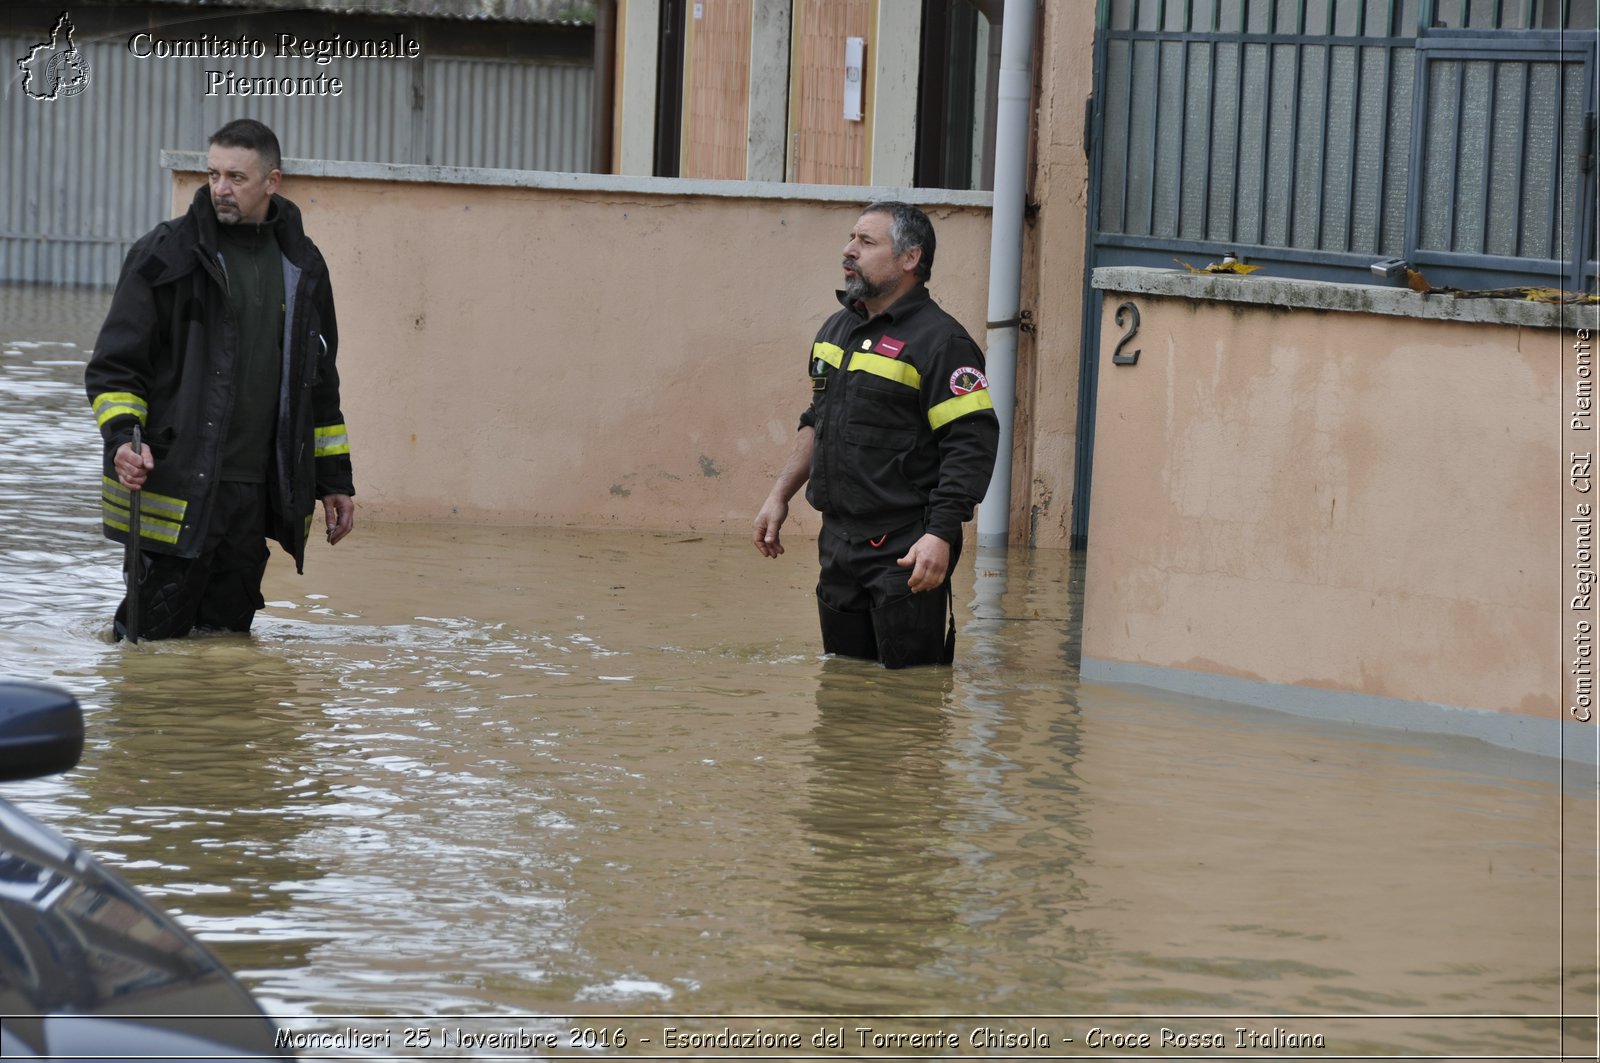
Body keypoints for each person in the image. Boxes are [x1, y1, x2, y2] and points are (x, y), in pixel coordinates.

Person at [85, 118, 354, 640]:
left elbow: (318, 382)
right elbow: (116, 367)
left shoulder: (303, 264)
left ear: (272, 182)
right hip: (176, 489)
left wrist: (335, 481)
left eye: (236, 177)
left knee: (227, 648)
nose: (220, 189)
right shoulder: (164, 254)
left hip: (254, 496)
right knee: (146, 649)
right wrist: (122, 438)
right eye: (212, 175)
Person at [753, 201, 999, 668]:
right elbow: (817, 420)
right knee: (844, 691)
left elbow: (970, 445)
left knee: (911, 698)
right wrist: (779, 494)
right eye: (852, 239)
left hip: (908, 548)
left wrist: (941, 535)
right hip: (839, 544)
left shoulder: (942, 343)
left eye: (866, 242)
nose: (849, 251)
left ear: (910, 258)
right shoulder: (838, 328)